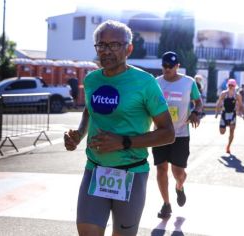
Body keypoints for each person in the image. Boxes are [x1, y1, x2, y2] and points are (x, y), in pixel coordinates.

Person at [63, 20, 175, 236]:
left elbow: (168, 133)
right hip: (95, 169)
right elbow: (90, 110)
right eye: (101, 45)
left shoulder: (145, 82)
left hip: (131, 172)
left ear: (129, 48)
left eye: (114, 45)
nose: (106, 51)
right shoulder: (92, 80)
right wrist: (78, 134)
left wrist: (124, 142)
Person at [153, 51, 202, 219]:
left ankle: (179, 186)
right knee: (161, 169)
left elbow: (199, 102)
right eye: (165, 66)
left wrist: (196, 112)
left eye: (171, 66)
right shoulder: (156, 83)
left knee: (178, 172)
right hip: (159, 132)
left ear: (177, 66)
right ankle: (166, 204)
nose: (167, 69)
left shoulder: (189, 83)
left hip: (180, 133)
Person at [215, 78, 244, 154]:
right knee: (222, 132)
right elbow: (219, 103)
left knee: (232, 131)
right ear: (227, 85)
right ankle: (224, 127)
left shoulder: (237, 95)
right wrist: (216, 113)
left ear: (235, 86)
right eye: (229, 85)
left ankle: (228, 146)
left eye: (232, 85)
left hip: (232, 114)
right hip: (224, 114)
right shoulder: (224, 93)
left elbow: (241, 105)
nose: (231, 86)